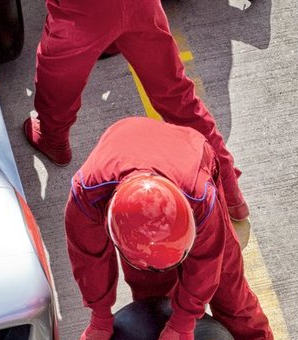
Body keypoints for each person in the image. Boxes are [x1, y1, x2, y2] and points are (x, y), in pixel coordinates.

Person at [66, 117, 291, 340]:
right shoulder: (87, 195)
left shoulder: (200, 196)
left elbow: (208, 263)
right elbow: (89, 259)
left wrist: (186, 320)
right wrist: (100, 316)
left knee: (233, 298)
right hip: (129, 148)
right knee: (154, 300)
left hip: (189, 156)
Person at [22, 0, 249, 218]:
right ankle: (229, 192)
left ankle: (54, 138)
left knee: (58, 76)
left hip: (83, 11)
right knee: (177, 95)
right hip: (141, 5)